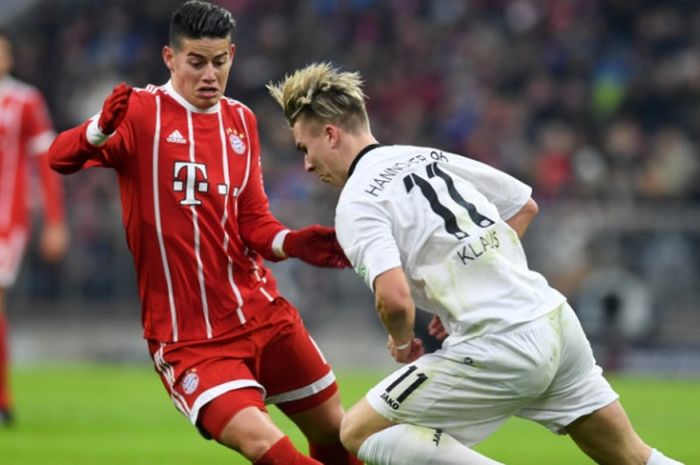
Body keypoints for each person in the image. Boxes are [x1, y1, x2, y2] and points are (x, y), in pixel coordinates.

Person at [267, 62, 685, 465]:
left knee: (359, 432)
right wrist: (460, 294)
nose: (306, 164)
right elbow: (524, 206)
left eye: (305, 148)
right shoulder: (421, 155)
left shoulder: (357, 201)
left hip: (498, 344)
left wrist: (400, 342)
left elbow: (393, 301)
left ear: (330, 133)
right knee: (633, 456)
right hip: (555, 323)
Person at [48, 3, 361, 465]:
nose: (210, 74)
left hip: (262, 314)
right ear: (170, 59)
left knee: (338, 434)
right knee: (265, 445)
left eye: (220, 61)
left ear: (232, 54)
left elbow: (253, 221)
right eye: (197, 61)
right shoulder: (139, 112)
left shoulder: (240, 120)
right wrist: (98, 130)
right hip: (190, 338)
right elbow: (59, 157)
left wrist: (293, 243)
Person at [0, 28, 68, 427]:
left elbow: (47, 162)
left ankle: (4, 400)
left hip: (6, 222)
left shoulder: (24, 100)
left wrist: (55, 221)